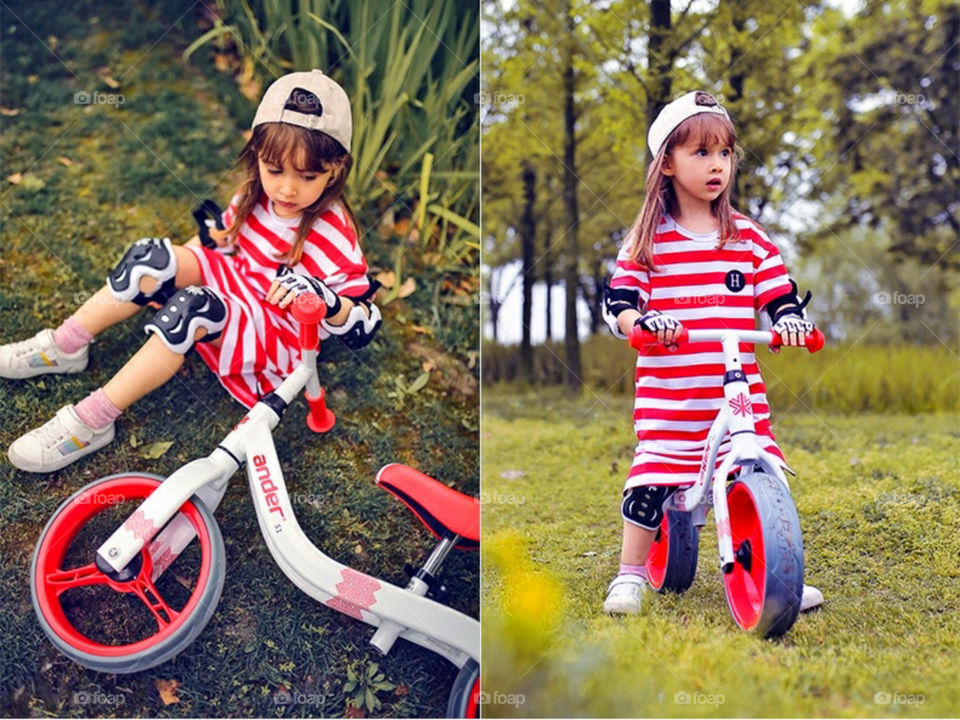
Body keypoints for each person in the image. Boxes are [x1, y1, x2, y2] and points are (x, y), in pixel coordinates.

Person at [1, 70, 381, 473]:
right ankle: (66, 345)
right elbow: (221, 244)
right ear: (258, 157)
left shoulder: (335, 233)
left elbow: (364, 323)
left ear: (335, 170)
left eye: (307, 177)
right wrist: (164, 269)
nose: (287, 189)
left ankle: (92, 421)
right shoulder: (254, 195)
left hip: (276, 330)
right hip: (239, 284)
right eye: (275, 170)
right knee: (150, 256)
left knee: (192, 308)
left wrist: (328, 300)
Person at [600, 91, 823, 614]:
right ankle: (629, 574)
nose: (716, 164)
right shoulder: (647, 240)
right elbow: (620, 302)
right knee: (649, 487)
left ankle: (778, 574)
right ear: (668, 164)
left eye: (724, 153)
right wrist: (643, 322)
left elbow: (778, 292)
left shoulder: (746, 236)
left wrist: (790, 320)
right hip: (671, 400)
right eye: (701, 153)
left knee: (759, 471)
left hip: (737, 393)